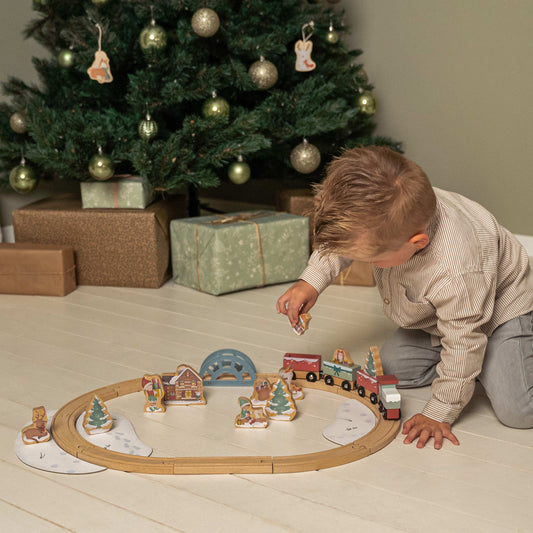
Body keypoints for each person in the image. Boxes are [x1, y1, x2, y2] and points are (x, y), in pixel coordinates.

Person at [276, 146, 533, 449]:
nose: (366, 263)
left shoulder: (454, 269)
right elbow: (343, 243)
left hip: (502, 314)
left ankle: (498, 353)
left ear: (417, 243)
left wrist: (439, 411)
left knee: (517, 411)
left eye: (373, 259)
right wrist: (311, 281)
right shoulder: (394, 211)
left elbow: (463, 339)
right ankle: (470, 366)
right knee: (390, 368)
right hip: (442, 317)